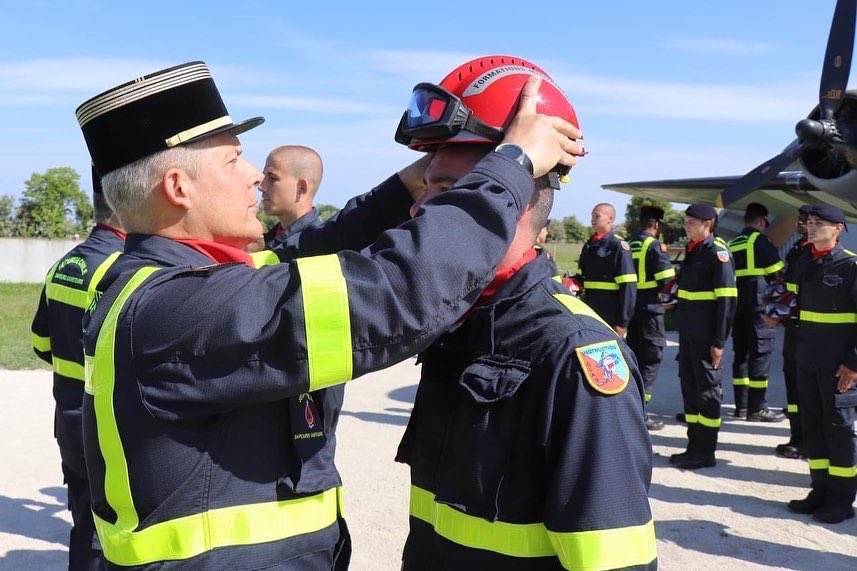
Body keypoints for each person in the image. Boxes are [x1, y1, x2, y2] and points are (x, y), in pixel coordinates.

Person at [75, 60, 581, 569]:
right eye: (234, 162)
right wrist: (511, 164)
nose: (253, 177)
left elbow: (321, 245)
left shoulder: (182, 281)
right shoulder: (180, 308)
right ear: (179, 188)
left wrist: (439, 162)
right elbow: (397, 289)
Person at [392, 56, 657, 570]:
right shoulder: (458, 321)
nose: (417, 209)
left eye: (444, 192)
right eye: (425, 187)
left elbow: (614, 558)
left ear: (508, 200)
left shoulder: (574, 351)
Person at [30, 167, 125, 570]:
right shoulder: (122, 271)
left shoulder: (63, 265)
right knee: (109, 538)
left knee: (83, 522)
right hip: (109, 430)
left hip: (68, 423)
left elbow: (41, 344)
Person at [786, 204, 857, 524]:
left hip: (838, 366)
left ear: (838, 228)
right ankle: (821, 488)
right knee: (813, 427)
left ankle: (841, 499)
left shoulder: (851, 265)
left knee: (838, 430)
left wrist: (853, 365)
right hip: (808, 360)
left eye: (819, 224)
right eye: (809, 223)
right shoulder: (805, 262)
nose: (811, 228)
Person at [671, 203, 736, 470]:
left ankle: (705, 451)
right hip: (688, 337)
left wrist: (719, 342)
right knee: (691, 394)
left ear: (707, 224)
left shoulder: (716, 253)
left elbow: (727, 302)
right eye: (686, 221)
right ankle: (693, 447)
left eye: (691, 222)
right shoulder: (693, 250)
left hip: (706, 339)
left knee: (707, 396)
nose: (686, 225)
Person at [727, 202, 786, 422]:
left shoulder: (733, 243)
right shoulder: (759, 240)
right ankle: (757, 408)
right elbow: (777, 273)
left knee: (741, 356)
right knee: (760, 355)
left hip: (737, 306)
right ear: (761, 222)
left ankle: (741, 407)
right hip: (758, 305)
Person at [628, 205, 676, 431]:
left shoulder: (630, 243)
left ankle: (631, 408)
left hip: (632, 308)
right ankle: (642, 413)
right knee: (651, 359)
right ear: (656, 225)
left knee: (635, 357)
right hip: (651, 309)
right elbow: (667, 279)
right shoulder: (655, 245)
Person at [775, 205, 812, 458]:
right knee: (794, 386)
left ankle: (808, 441)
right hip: (794, 328)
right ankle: (797, 436)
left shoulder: (821, 256)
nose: (800, 223)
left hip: (811, 332)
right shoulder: (799, 250)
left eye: (806, 220)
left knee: (808, 391)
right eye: (800, 219)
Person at [578, 202, 637, 337]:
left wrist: (622, 322)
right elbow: (582, 276)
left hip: (610, 316)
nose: (593, 218)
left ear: (609, 219)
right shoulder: (589, 244)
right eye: (592, 215)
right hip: (590, 313)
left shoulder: (618, 246)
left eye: (597, 216)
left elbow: (628, 287)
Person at [260, 145, 324, 244]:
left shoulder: (318, 246)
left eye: (272, 178)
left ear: (302, 187)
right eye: (264, 176)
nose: (261, 187)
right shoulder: (264, 243)